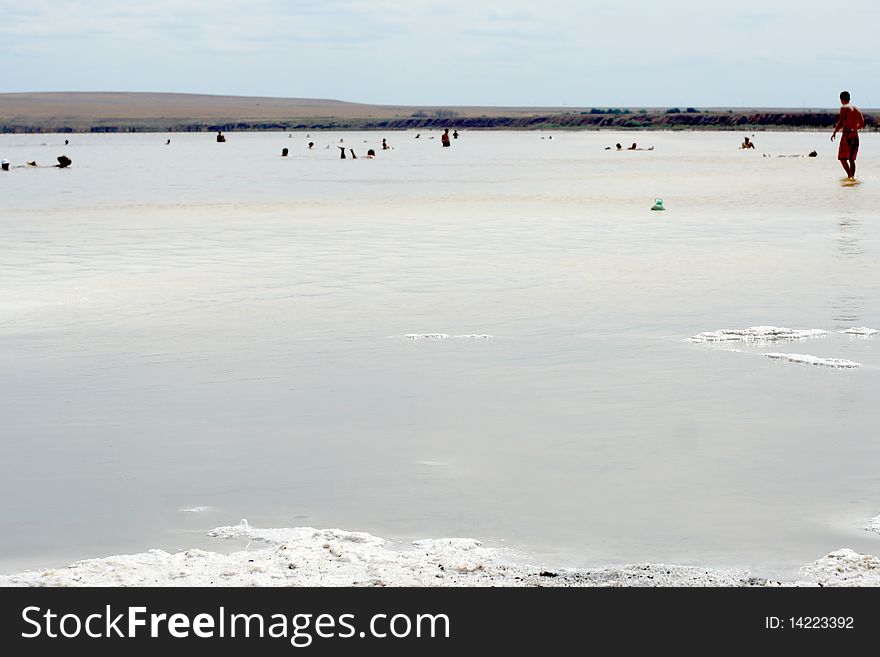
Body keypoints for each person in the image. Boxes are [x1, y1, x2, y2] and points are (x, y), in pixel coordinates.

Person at [831, 90, 865, 179]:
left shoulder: (844, 108)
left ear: (841, 99)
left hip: (847, 135)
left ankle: (850, 176)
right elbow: (862, 124)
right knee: (851, 159)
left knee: (842, 159)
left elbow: (841, 122)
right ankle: (852, 178)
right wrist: (854, 130)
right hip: (855, 135)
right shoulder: (857, 109)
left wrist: (835, 132)